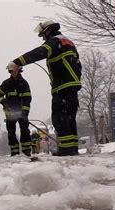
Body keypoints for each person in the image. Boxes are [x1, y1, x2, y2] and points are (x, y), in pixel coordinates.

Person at [8, 20, 82, 156]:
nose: (43, 38)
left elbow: (40, 52)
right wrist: (75, 81)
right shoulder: (68, 42)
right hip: (72, 86)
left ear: (48, 31)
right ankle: (72, 148)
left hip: (62, 86)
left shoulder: (55, 41)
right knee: (70, 118)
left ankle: (66, 149)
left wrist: (17, 62)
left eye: (43, 35)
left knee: (60, 118)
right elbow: (78, 65)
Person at [0, 63, 32, 156]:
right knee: (11, 133)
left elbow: (27, 99)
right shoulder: (6, 84)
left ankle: (26, 151)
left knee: (24, 131)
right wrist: (4, 102)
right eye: (11, 71)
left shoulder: (24, 84)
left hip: (21, 113)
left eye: (14, 71)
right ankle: (14, 152)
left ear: (19, 70)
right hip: (10, 114)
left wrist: (25, 112)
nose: (12, 73)